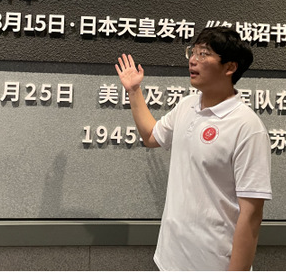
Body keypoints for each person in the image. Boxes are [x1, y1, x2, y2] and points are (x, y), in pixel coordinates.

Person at [115, 27, 272, 271]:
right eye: (193, 52)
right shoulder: (187, 105)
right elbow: (151, 136)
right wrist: (134, 90)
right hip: (170, 259)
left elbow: (251, 215)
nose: (193, 60)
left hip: (213, 264)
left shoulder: (247, 127)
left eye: (204, 54)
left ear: (230, 67)